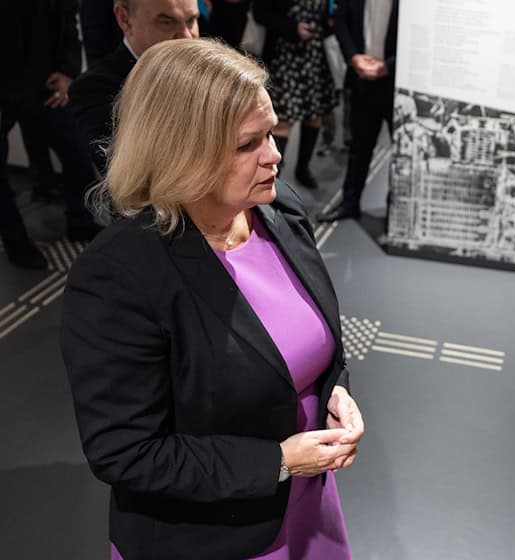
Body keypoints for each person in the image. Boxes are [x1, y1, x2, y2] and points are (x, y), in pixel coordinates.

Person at [61, 39, 362, 559]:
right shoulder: (120, 276)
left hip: (307, 503)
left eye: (270, 132)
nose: (274, 155)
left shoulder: (278, 209)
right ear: (182, 151)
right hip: (210, 535)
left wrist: (337, 392)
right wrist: (278, 462)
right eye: (248, 144)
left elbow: (316, 343)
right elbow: (126, 452)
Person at [0, 0, 101, 269]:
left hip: (43, 84)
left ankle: (80, 222)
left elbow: (69, 23)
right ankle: (17, 244)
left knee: (79, 156)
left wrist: (69, 74)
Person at [71, 0, 200, 175]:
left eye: (191, 20)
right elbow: (129, 177)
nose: (186, 36)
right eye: (167, 22)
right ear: (124, 19)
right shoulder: (93, 89)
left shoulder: (210, 67)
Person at [317, 0, 398, 222]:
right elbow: (341, 22)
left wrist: (388, 66)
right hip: (362, 79)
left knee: (402, 151)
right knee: (359, 148)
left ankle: (396, 211)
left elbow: (417, 36)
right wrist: (353, 57)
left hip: (397, 85)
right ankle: (349, 205)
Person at [252, 0, 337, 190]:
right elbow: (261, 13)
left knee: (314, 117)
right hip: (286, 57)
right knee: (283, 122)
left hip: (315, 58)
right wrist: (292, 28)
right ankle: (274, 176)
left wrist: (328, 24)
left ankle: (303, 168)